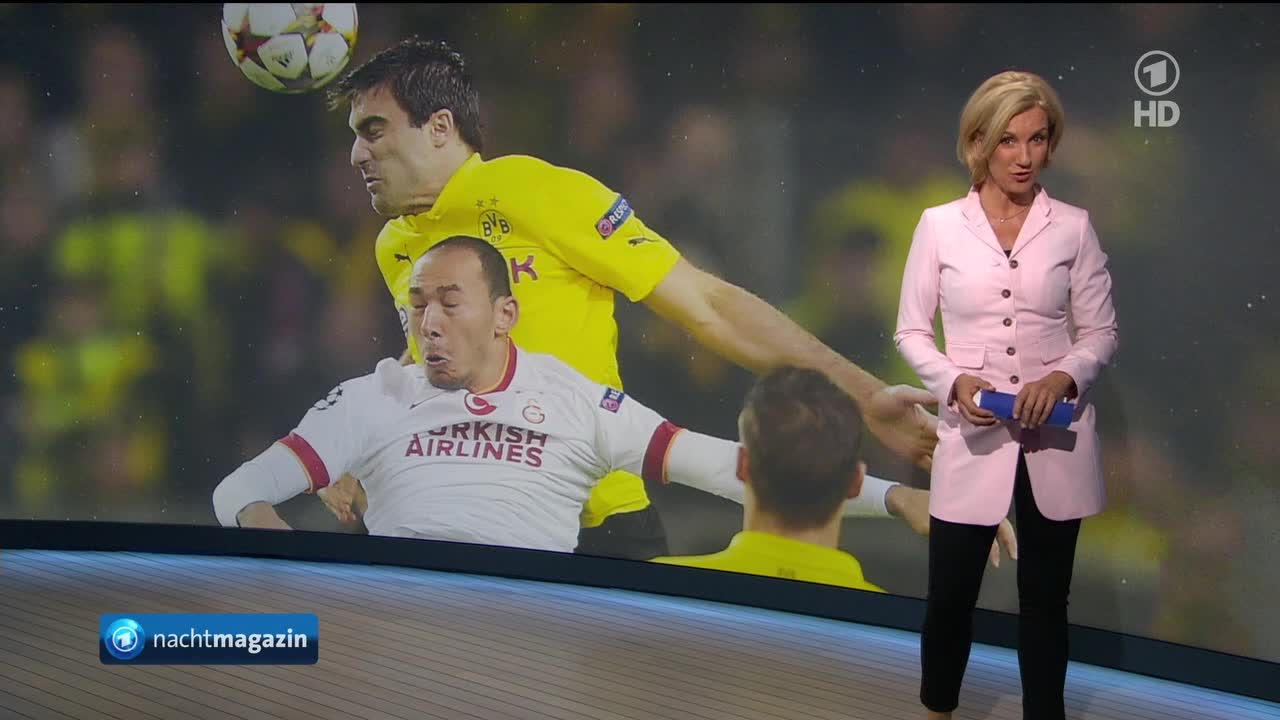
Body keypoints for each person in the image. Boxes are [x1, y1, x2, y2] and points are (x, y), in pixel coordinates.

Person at [322, 37, 940, 560]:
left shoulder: (536, 192)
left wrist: (865, 397)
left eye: (374, 130)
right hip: (476, 524)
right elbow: (430, 362)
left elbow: (708, 305)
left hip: (599, 530)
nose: (357, 155)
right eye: (354, 136)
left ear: (439, 127)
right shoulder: (395, 244)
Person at [213, 237, 935, 550]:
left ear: (505, 315)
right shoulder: (372, 396)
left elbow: (732, 466)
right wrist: (277, 543)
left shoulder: (577, 402)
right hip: (401, 638)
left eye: (450, 304)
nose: (427, 324)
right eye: (416, 306)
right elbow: (238, 491)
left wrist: (893, 497)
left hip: (531, 647)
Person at [894, 71, 1119, 720]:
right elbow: (912, 330)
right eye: (1008, 141)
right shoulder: (939, 226)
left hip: (1055, 438)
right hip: (974, 436)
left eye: (1038, 139)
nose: (1024, 156)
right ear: (978, 144)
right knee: (950, 597)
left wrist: (1064, 376)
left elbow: (1100, 331)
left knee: (1046, 601)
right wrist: (952, 382)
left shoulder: (1073, 227)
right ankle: (938, 710)